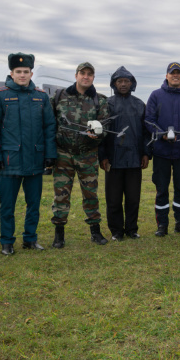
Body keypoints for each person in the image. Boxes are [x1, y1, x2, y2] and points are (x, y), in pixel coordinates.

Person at [0, 53, 57, 255]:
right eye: (18, 72)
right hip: (10, 161)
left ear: (31, 73)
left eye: (26, 72)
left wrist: (50, 154)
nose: (22, 75)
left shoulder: (41, 96)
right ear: (11, 73)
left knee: (33, 204)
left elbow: (49, 127)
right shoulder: (0, 95)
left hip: (35, 159)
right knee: (7, 205)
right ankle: (6, 241)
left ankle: (30, 239)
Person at [50, 62, 111, 248]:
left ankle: (95, 231)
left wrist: (97, 135)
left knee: (91, 194)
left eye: (90, 74)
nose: (86, 76)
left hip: (88, 155)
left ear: (93, 77)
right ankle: (59, 235)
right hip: (63, 155)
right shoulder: (60, 96)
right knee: (61, 195)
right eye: (82, 73)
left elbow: (105, 127)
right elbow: (50, 123)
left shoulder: (100, 100)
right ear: (76, 75)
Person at [144, 62, 180, 237]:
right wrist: (161, 134)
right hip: (161, 151)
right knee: (161, 188)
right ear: (167, 75)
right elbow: (148, 120)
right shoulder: (156, 95)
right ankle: (162, 224)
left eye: (178, 73)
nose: (175, 75)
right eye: (172, 73)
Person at [100, 66, 151, 241]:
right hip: (113, 159)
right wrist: (103, 156)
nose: (123, 84)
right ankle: (116, 231)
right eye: (119, 81)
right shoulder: (107, 104)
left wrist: (146, 153)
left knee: (133, 198)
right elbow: (102, 133)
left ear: (132, 83)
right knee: (113, 199)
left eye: (126, 81)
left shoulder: (139, 104)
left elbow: (146, 132)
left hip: (134, 158)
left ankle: (131, 229)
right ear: (114, 83)